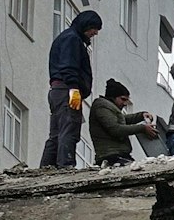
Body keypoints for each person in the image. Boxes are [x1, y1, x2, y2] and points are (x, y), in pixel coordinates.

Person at [40, 9, 103, 168]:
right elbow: (69, 66)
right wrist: (74, 88)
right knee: (69, 129)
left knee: (57, 132)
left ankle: (47, 168)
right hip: (67, 90)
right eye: (94, 28)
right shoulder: (72, 39)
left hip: (58, 91)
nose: (95, 33)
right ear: (86, 25)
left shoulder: (67, 37)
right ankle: (65, 165)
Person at [88, 79, 158, 167]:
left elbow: (122, 119)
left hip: (116, 155)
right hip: (110, 157)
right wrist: (142, 128)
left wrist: (141, 116)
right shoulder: (102, 106)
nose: (125, 103)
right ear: (113, 97)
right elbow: (115, 129)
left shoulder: (108, 107)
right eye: (123, 99)